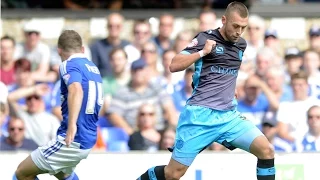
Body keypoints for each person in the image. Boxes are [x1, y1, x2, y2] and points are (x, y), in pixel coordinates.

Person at [136, 2, 275, 180]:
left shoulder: (241, 45)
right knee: (173, 174)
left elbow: (225, 71)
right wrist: (202, 52)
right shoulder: (204, 39)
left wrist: (230, 89)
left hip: (228, 117)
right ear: (224, 20)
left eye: (243, 27)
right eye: (235, 26)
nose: (239, 32)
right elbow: (174, 65)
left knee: (266, 150)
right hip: (199, 117)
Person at [14, 30, 103, 180]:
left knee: (22, 173)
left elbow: (76, 89)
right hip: (87, 136)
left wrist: (72, 125)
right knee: (63, 174)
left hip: (73, 137)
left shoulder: (67, 64)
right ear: (82, 49)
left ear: (59, 51)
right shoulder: (93, 68)